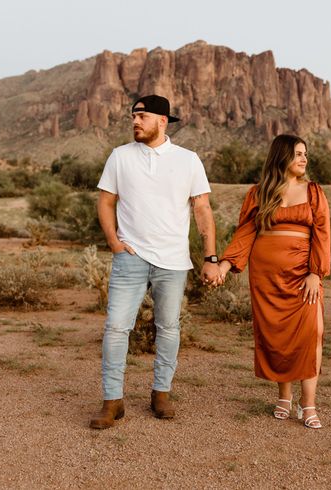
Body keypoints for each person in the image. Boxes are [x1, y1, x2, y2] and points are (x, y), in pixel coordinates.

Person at [89, 95, 220, 430]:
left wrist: (210, 257)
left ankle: (161, 393)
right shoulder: (120, 157)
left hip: (173, 261)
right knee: (116, 328)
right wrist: (114, 242)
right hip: (130, 258)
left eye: (142, 116)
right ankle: (112, 400)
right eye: (133, 116)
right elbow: (106, 201)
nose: (135, 121)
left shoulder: (188, 160)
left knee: (169, 328)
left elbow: (202, 209)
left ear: (163, 120)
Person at [216, 134, 331, 429]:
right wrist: (225, 264)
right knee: (276, 335)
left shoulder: (314, 192)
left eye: (305, 154)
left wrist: (315, 273)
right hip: (266, 277)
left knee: (309, 336)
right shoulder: (259, 193)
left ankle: (308, 405)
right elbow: (245, 233)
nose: (304, 159)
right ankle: (284, 396)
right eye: (298, 154)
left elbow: (322, 235)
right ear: (282, 157)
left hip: (302, 276)